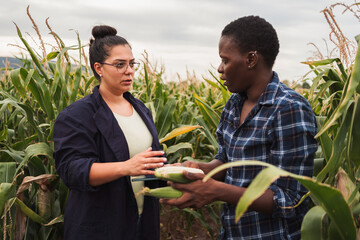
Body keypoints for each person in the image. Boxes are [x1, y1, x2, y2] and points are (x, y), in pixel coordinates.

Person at [161, 16, 318, 239]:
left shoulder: (287, 109)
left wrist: (216, 191)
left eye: (225, 60)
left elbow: (291, 200)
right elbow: (228, 160)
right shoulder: (234, 104)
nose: (219, 69)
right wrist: (204, 169)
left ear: (251, 59)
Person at [53, 25, 167, 240]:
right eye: (119, 64)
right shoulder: (77, 115)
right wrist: (126, 167)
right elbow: (72, 170)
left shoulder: (141, 109)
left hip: (143, 222)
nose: (129, 70)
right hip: (103, 226)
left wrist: (176, 173)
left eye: (132, 63)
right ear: (99, 68)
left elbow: (150, 161)